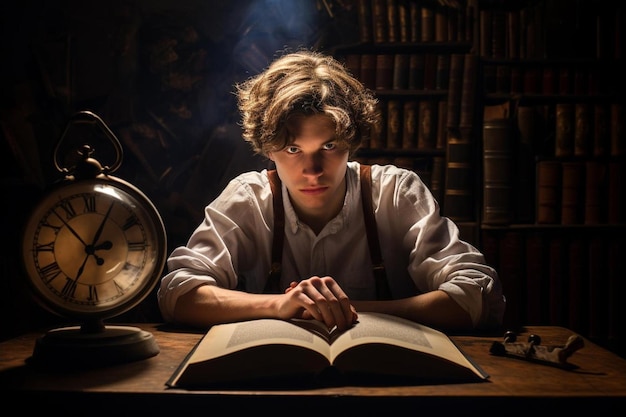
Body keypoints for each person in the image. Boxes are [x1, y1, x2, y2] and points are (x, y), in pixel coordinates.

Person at [157, 50, 505, 333]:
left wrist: (346, 310)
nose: (312, 170)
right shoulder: (248, 198)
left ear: (351, 142)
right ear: (268, 149)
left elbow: (475, 293)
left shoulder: (396, 191)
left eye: (329, 145)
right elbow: (178, 293)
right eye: (294, 150)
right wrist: (280, 305)